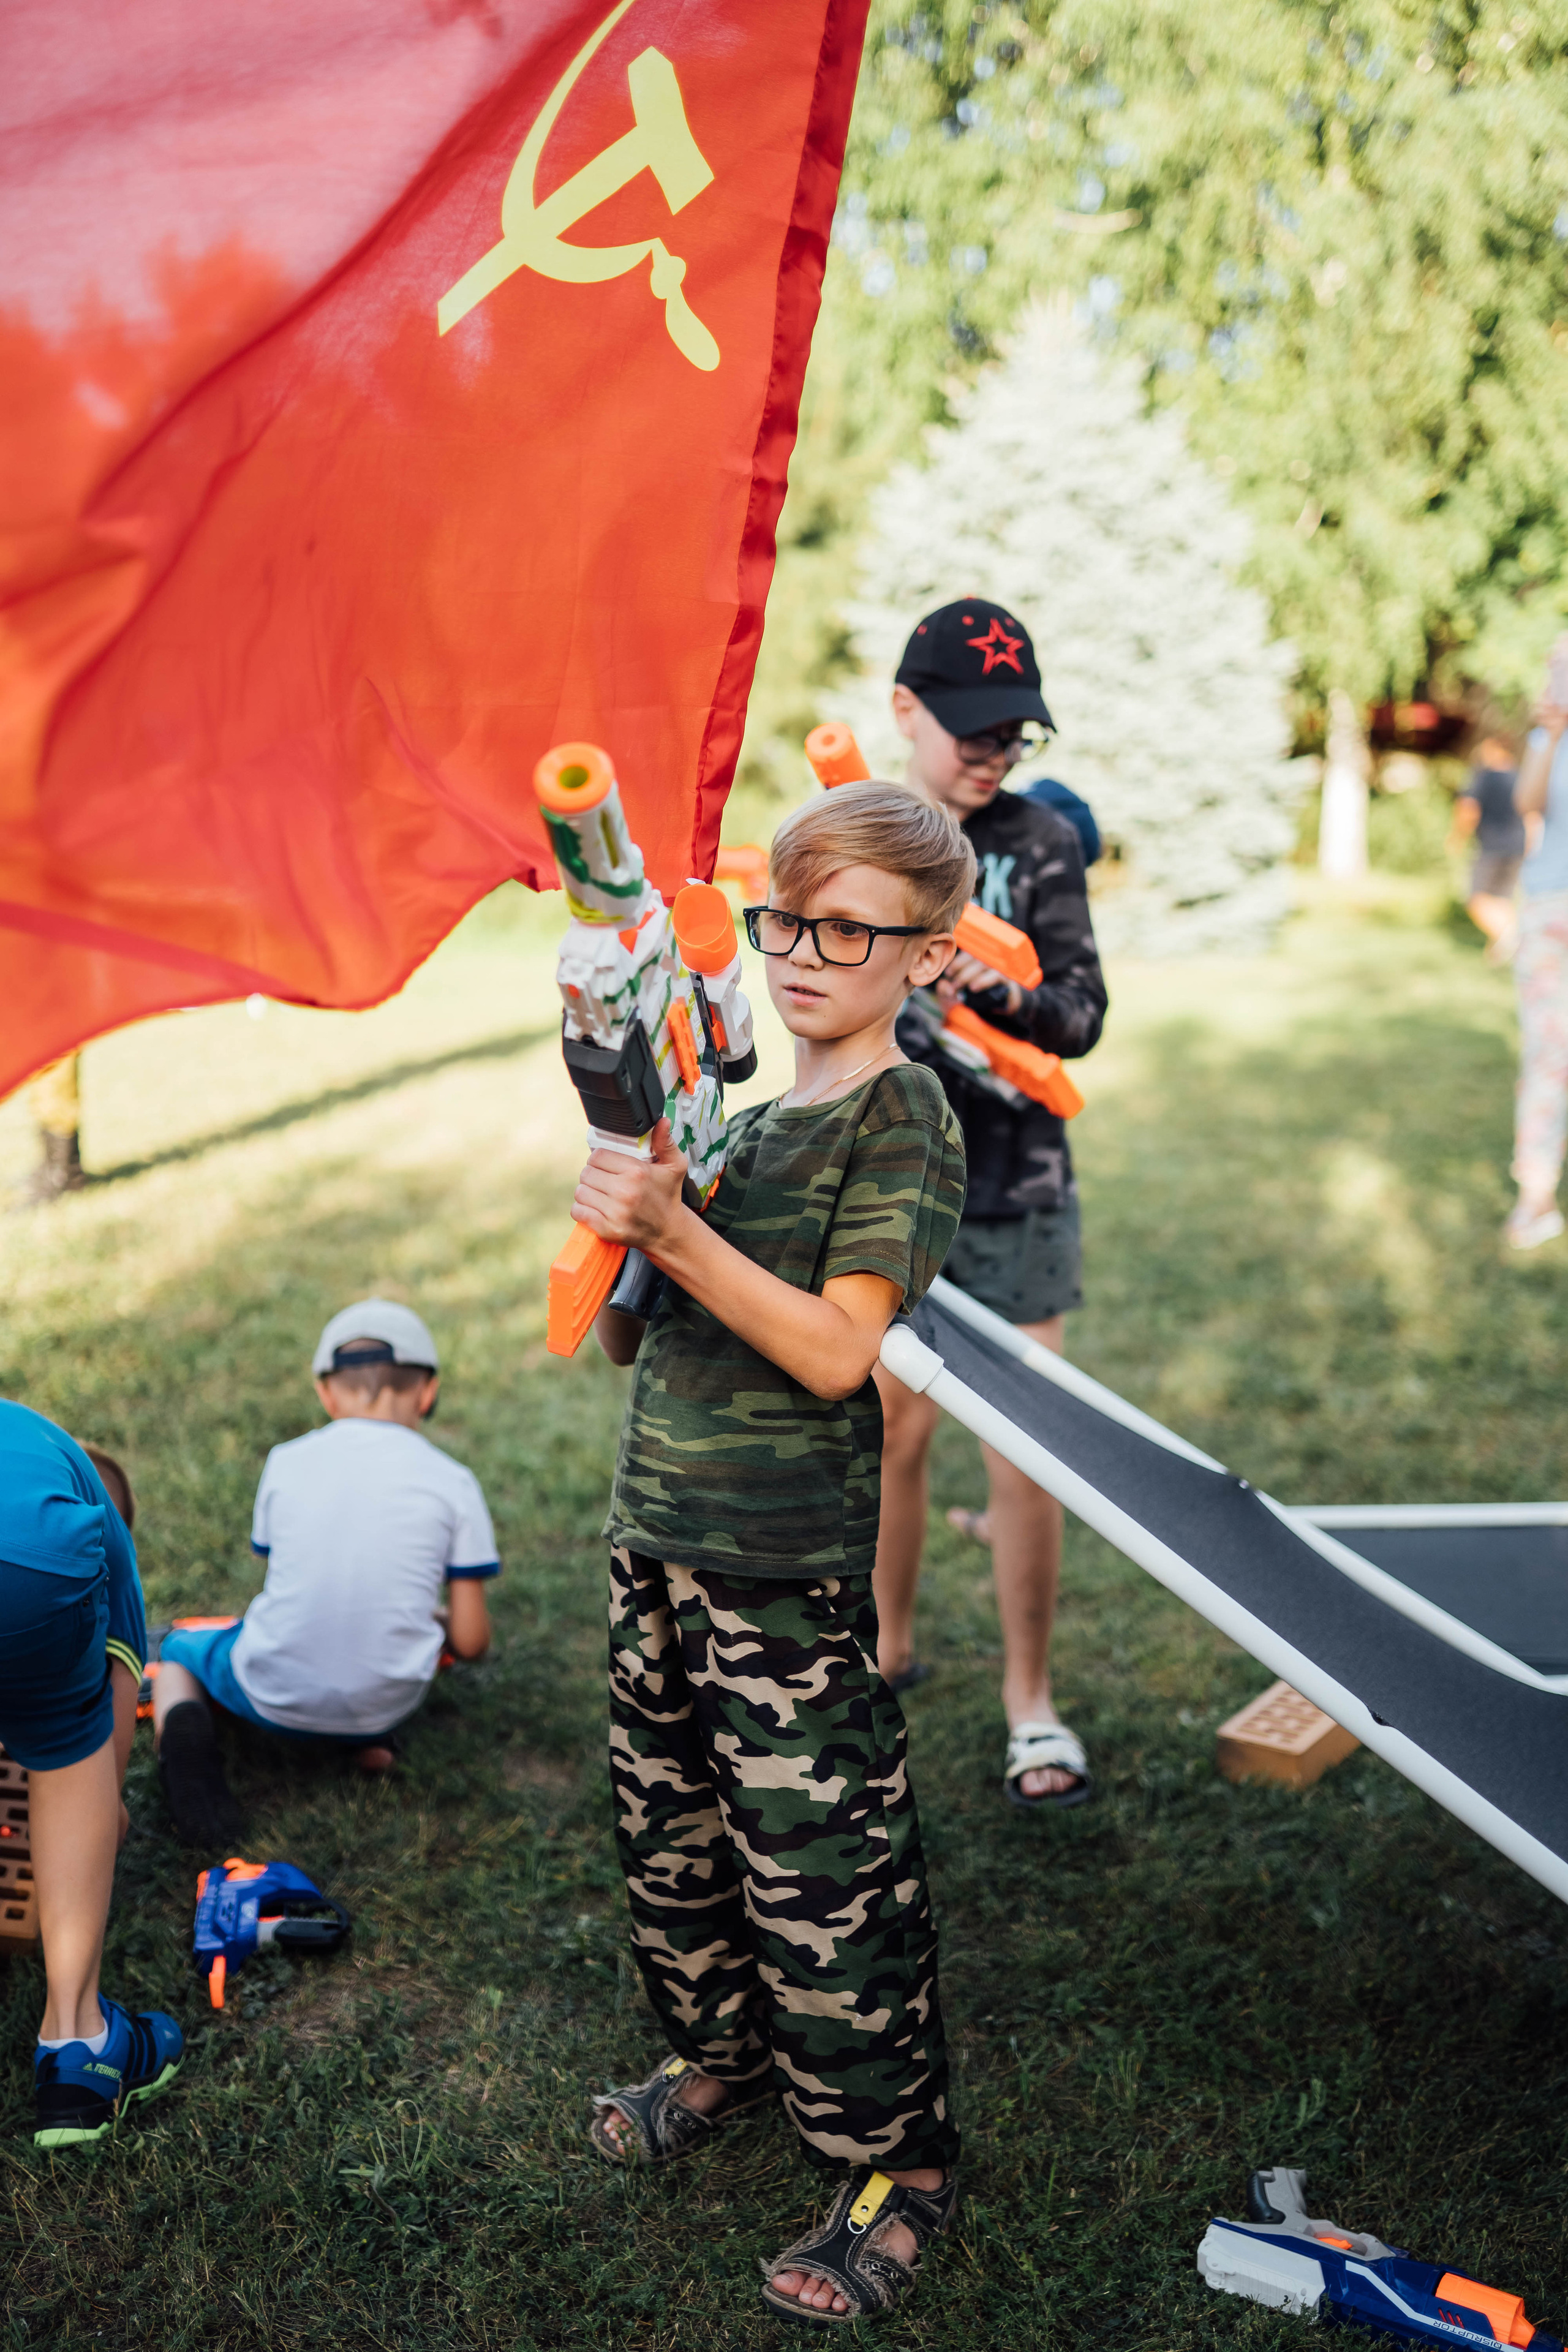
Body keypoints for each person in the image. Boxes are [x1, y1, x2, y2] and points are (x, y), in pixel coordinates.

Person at [578, 783, 970, 2326]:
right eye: (785, 920)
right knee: (670, 1839)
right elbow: (629, 1335)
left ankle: (899, 2167)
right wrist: (630, 1217)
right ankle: (720, 2048)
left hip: (784, 1569)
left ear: (925, 955)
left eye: (849, 929)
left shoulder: (900, 1119)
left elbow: (832, 1352)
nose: (803, 954)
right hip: (656, 1542)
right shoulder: (732, 1115)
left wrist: (678, 1234)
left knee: (824, 1872)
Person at [875, 598, 1107, 1809]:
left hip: (1016, 1190)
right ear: (902, 708)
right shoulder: (868, 841)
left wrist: (993, 985)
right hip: (891, 1194)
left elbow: (1080, 1013)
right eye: (968, 730)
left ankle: (1030, 1703)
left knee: (1024, 1457)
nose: (990, 754)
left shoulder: (1041, 843)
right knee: (892, 1436)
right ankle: (885, 1655)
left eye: (1011, 734)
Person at [153, 1298, 499, 1844]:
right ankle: (367, 1739)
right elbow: (472, 1642)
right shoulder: (454, 1481)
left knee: (176, 1654)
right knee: (413, 1633)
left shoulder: (285, 1460)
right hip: (388, 1701)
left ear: (325, 1392)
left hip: (271, 1691)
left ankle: (185, 1748)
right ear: (428, 1392)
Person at [0, 1400, 184, 2147]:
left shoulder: (30, 1441)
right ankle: (79, 2048)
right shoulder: (98, 1544)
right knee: (70, 1741)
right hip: (28, 1564)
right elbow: (97, 1802)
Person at [1507, 654, 1568, 1248]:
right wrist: (1549, 738)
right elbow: (1527, 806)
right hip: (1549, 906)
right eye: (1554, 665)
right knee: (1548, 1055)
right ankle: (1537, 1196)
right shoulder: (1543, 736)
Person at [1449, 734, 1525, 963]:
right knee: (1502, 900)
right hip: (1518, 846)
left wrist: (1457, 837)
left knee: (1477, 900)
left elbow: (1469, 809)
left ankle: (1511, 937)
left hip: (1491, 846)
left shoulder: (1483, 777)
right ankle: (1501, 951)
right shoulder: (1521, 777)